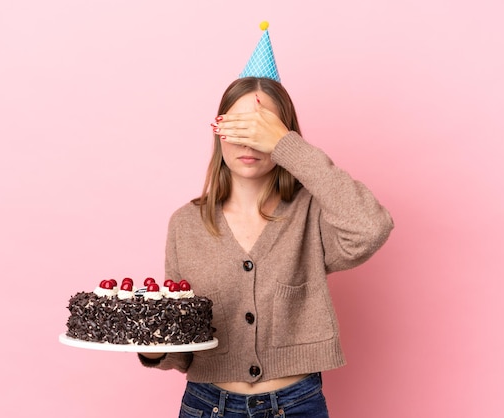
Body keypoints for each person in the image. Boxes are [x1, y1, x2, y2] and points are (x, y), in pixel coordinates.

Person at [139, 76, 394, 418]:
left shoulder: (313, 213)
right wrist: (156, 349)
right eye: (239, 127)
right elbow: (185, 347)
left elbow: (370, 228)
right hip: (206, 406)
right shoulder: (186, 224)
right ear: (219, 131)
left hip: (296, 405)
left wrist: (287, 147)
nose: (249, 141)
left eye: (261, 128)